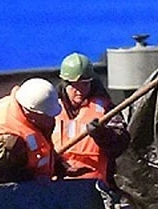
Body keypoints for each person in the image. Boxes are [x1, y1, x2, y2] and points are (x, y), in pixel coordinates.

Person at [0, 78, 61, 187]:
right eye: (45, 116)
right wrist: (31, 178)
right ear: (30, 112)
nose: (50, 120)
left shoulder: (18, 105)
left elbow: (38, 147)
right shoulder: (5, 140)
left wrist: (58, 164)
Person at [52, 52, 130, 188]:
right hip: (58, 185)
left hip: (95, 186)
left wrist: (102, 134)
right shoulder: (50, 108)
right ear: (65, 84)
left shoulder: (106, 109)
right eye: (75, 85)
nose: (80, 90)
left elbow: (120, 144)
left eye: (84, 84)